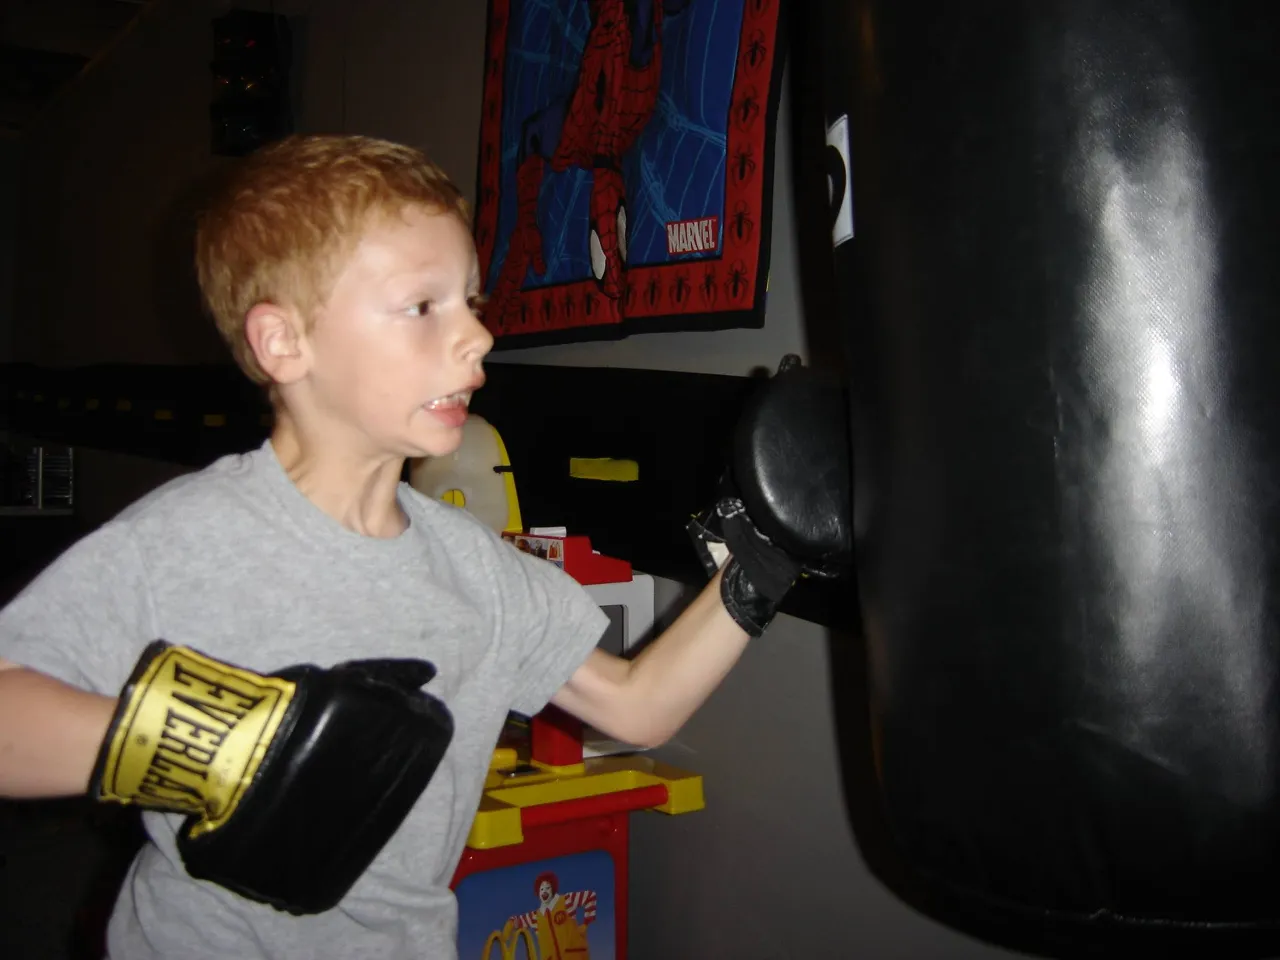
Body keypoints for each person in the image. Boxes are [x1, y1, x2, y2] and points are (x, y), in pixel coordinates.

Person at [0, 134, 846, 960]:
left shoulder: (472, 566)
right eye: (423, 305)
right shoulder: (188, 539)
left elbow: (635, 706)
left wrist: (762, 564)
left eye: (471, 301)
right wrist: (225, 749)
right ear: (283, 343)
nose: (476, 335)